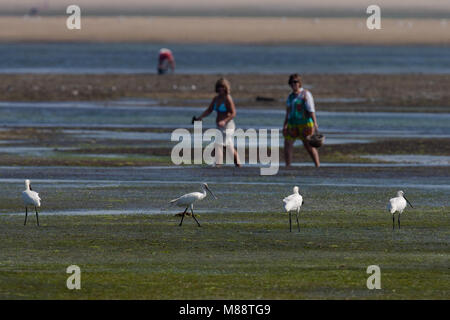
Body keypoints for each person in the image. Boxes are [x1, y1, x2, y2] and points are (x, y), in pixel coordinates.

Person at [195, 78, 241, 167]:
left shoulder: (228, 98)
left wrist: (224, 121)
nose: (221, 89)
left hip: (228, 126)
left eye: (223, 87)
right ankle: (238, 164)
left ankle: (218, 165)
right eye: (219, 87)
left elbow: (233, 113)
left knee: (218, 144)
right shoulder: (216, 99)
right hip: (219, 126)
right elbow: (209, 110)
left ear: (226, 88)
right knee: (228, 146)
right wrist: (200, 117)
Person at [282, 74, 320, 167]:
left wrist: (315, 123)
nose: (293, 84)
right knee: (287, 145)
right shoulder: (290, 97)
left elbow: (311, 110)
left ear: (299, 83)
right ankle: (288, 166)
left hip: (305, 124)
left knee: (309, 146)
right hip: (293, 124)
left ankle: (317, 165)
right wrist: (285, 124)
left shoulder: (305, 94)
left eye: (295, 82)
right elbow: (288, 112)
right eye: (291, 82)